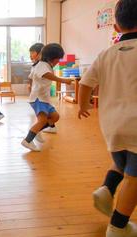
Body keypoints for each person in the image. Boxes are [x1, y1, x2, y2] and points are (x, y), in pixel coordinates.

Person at [78, 1, 137, 236]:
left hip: (111, 126)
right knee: (134, 178)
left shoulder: (106, 53)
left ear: (115, 26)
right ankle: (118, 226)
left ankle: (106, 189)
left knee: (122, 163)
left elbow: (85, 83)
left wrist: (83, 106)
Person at [21, 43, 71, 152]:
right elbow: (46, 75)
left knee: (55, 117)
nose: (58, 62)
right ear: (51, 58)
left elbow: (32, 77)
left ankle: (37, 131)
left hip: (44, 99)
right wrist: (63, 80)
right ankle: (27, 140)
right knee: (42, 121)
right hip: (39, 99)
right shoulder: (43, 65)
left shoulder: (44, 65)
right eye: (58, 59)